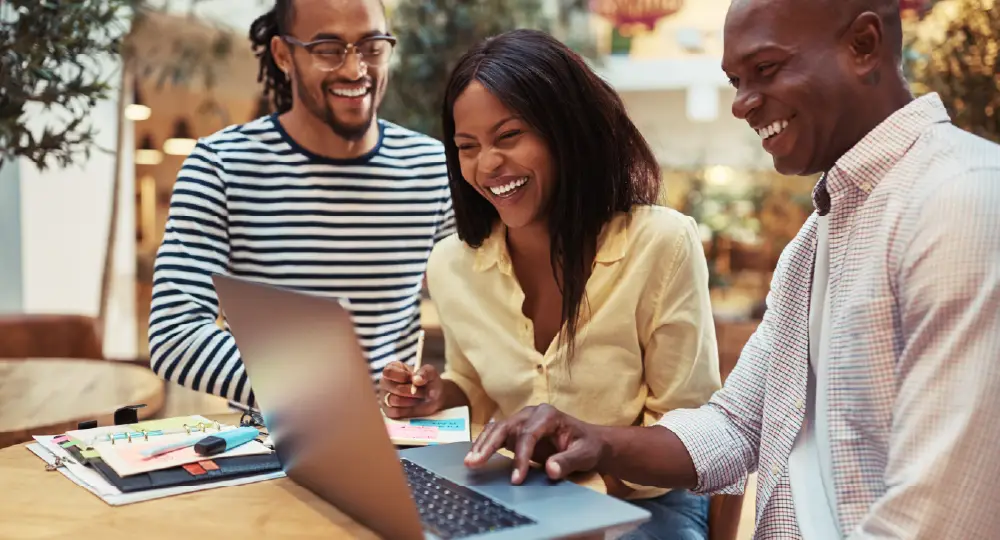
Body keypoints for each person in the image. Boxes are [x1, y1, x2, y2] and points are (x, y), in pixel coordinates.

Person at [455, 1, 1000, 539]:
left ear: (863, 45)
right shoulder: (814, 242)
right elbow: (737, 426)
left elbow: (940, 520)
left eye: (765, 69)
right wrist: (596, 441)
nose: (741, 105)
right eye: (736, 80)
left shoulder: (959, 198)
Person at [378, 29, 736, 539]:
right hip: (516, 490)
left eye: (508, 137)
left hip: (643, 502)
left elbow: (688, 426)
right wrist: (439, 395)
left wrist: (580, 495)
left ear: (567, 131)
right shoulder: (452, 263)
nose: (487, 165)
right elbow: (475, 387)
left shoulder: (661, 242)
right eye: (467, 146)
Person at [148, 0, 454, 407]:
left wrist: (441, 386)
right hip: (271, 440)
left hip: (399, 437)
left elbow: (483, 315)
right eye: (328, 49)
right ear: (283, 55)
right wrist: (312, 396)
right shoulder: (220, 167)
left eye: (372, 46)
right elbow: (175, 334)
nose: (354, 69)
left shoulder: (434, 168)